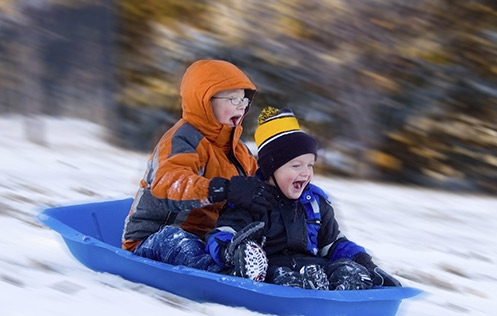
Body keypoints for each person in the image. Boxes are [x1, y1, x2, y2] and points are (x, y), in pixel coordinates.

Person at [205, 107, 402, 290]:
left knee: (346, 270)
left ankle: (347, 286)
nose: (306, 173)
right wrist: (233, 252)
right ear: (272, 168)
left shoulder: (315, 202)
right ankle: (300, 286)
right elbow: (221, 234)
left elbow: (333, 243)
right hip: (269, 269)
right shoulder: (251, 200)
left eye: (310, 165)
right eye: (296, 166)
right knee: (280, 275)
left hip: (312, 267)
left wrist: (363, 262)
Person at [122, 60, 274, 271]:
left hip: (208, 240)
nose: (242, 105)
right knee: (178, 242)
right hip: (154, 238)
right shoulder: (181, 139)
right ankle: (226, 274)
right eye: (233, 99)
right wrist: (223, 189)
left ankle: (259, 268)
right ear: (204, 101)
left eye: (244, 100)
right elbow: (169, 184)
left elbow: (258, 188)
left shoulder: (240, 153)